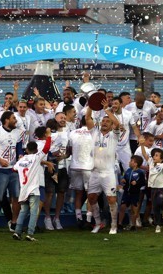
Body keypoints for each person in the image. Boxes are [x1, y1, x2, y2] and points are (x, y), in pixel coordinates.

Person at [0, 111, 24, 234]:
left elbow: (18, 148)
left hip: (13, 169)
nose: (15, 120)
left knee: (16, 197)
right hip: (0, 169)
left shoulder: (17, 132)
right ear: (6, 120)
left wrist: (21, 156)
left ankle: (14, 222)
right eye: (13, 118)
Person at [85, 100, 120, 234]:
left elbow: (117, 123)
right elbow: (87, 118)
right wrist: (91, 104)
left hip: (108, 172)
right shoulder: (94, 132)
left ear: (111, 125)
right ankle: (98, 223)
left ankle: (114, 225)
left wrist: (107, 110)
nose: (104, 122)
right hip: (94, 172)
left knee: (111, 199)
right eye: (103, 121)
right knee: (92, 198)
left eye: (107, 121)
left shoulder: (114, 135)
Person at [12, 130, 52, 241]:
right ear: (36, 150)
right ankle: (30, 234)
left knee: (23, 211)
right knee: (34, 212)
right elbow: (46, 148)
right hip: (34, 188)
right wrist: (48, 136)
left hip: (23, 189)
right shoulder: (36, 157)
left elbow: (14, 169)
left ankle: (17, 232)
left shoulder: (21, 160)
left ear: (27, 150)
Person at [139, 136, 163, 234]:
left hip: (161, 188)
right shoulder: (151, 162)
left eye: (156, 155)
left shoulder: (162, 165)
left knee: (160, 202)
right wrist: (142, 145)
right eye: (154, 155)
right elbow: (144, 154)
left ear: (161, 159)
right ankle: (158, 225)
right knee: (155, 206)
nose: (154, 157)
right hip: (153, 188)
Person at [68, 116, 94, 227]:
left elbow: (69, 149)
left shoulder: (72, 133)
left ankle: (78, 218)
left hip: (74, 165)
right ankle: (88, 220)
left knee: (78, 193)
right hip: (88, 166)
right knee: (90, 193)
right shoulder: (93, 133)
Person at [117, 155, 146, 231]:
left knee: (134, 209)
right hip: (126, 192)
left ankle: (133, 225)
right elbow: (125, 179)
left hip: (135, 193)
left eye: (131, 161)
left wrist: (136, 183)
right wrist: (124, 181)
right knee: (122, 207)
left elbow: (143, 183)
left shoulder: (140, 172)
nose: (129, 162)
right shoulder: (128, 170)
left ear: (135, 163)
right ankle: (119, 224)